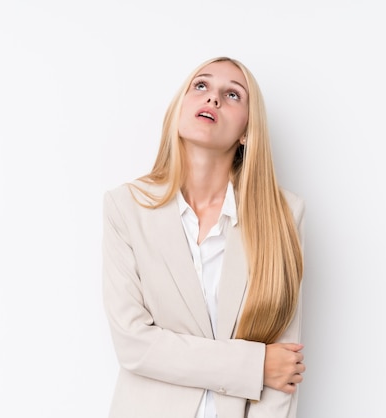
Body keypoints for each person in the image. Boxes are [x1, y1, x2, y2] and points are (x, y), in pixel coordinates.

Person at [102, 56, 306, 418]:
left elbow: (284, 366)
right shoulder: (127, 208)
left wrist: (268, 366)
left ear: (247, 130)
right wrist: (254, 366)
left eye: (232, 95)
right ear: (180, 107)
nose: (212, 99)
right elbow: (134, 345)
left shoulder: (284, 215)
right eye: (201, 86)